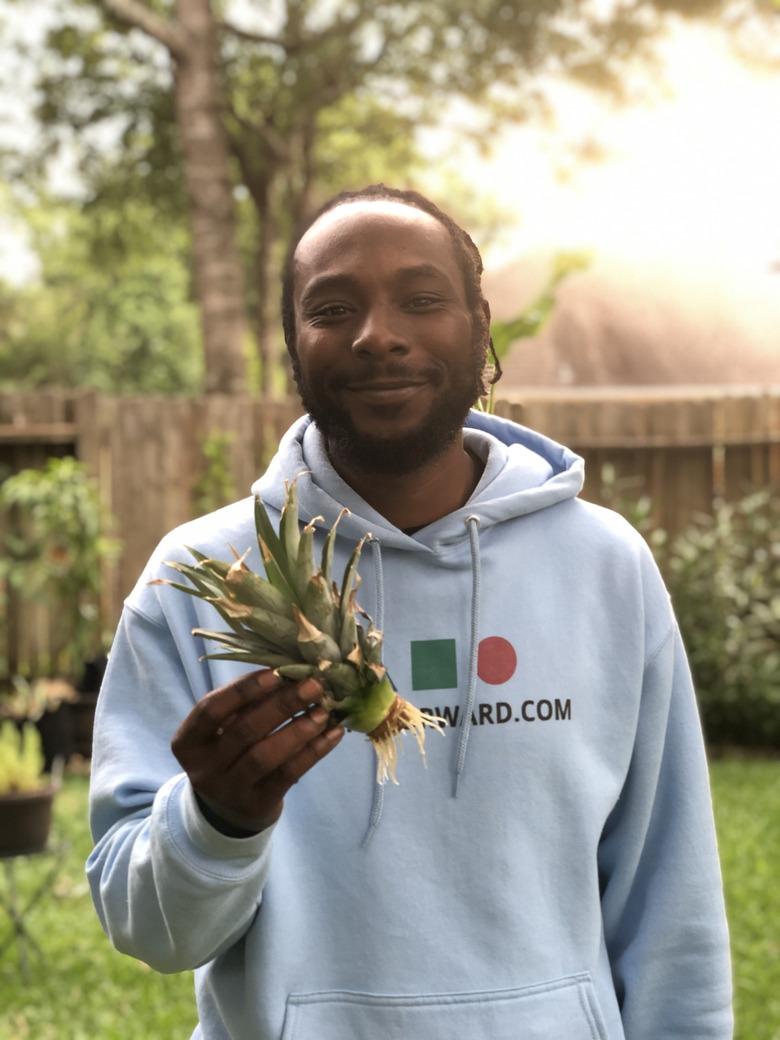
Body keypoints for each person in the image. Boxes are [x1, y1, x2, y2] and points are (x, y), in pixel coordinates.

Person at [87, 184, 733, 1039]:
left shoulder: (605, 566)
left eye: (422, 299)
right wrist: (218, 821)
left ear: (480, 325)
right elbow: (150, 932)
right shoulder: (203, 580)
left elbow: (669, 893)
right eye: (333, 308)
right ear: (293, 346)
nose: (377, 334)